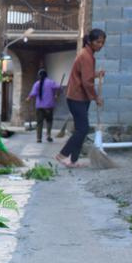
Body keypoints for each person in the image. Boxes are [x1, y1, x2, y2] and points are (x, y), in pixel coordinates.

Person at [56, 29, 106, 167]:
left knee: (81, 129)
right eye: (98, 42)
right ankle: (63, 154)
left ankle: (73, 161)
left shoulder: (88, 54)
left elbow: (86, 75)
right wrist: (96, 98)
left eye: (102, 42)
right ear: (90, 41)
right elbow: (86, 82)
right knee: (83, 129)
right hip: (77, 97)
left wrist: (97, 74)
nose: (100, 45)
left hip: (80, 97)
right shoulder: (86, 56)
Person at [26, 69, 61, 143]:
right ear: (46, 75)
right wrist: (56, 95)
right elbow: (59, 87)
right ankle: (48, 135)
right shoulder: (51, 82)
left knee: (39, 123)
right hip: (49, 106)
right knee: (49, 121)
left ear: (39, 76)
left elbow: (33, 94)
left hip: (39, 107)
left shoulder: (37, 84)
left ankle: (39, 138)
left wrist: (28, 98)